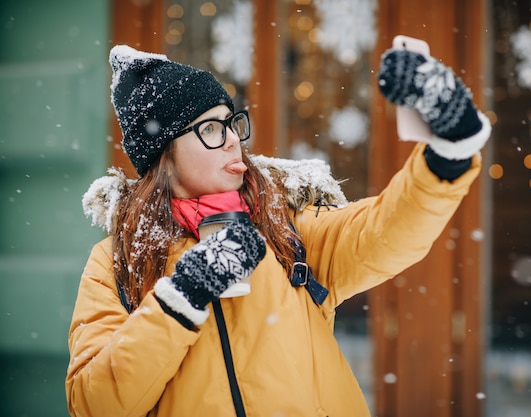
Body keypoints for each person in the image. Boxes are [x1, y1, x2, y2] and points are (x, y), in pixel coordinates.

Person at [66, 43, 491, 417]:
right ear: (163, 154)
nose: (233, 139)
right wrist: (183, 297)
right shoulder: (117, 263)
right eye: (210, 129)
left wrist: (449, 149)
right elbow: (94, 404)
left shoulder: (287, 231)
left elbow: (387, 230)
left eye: (231, 123)